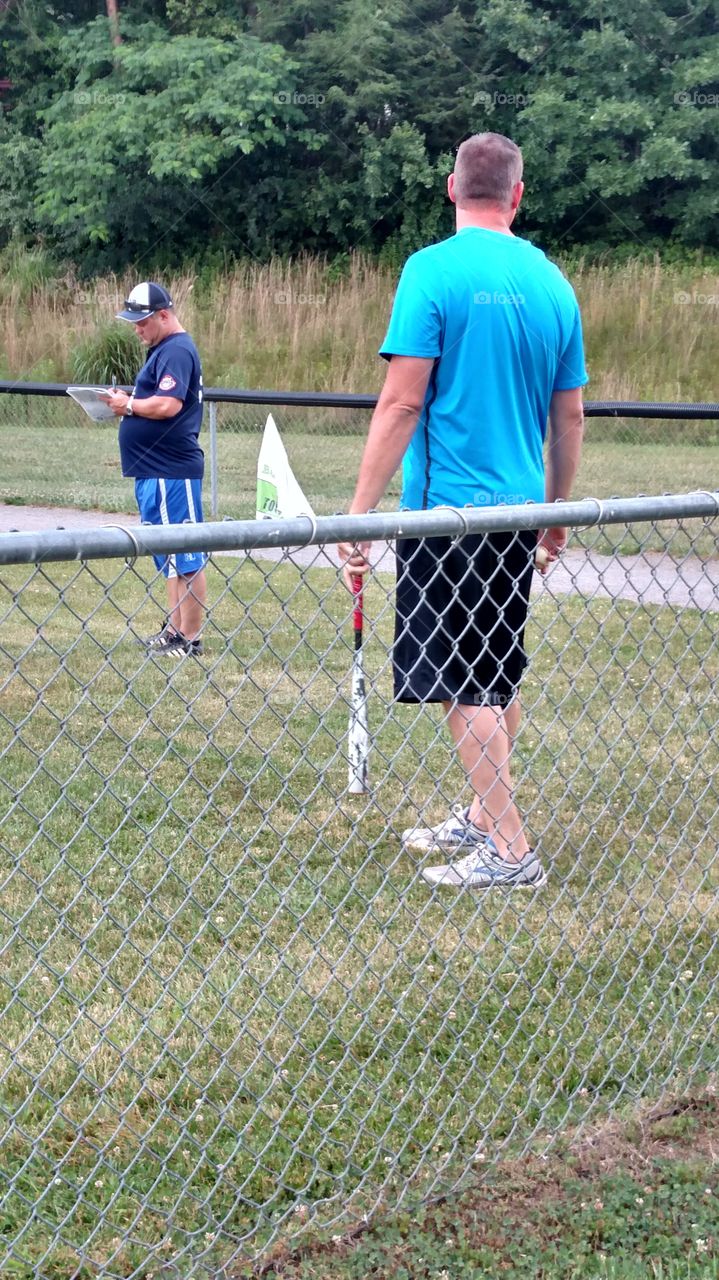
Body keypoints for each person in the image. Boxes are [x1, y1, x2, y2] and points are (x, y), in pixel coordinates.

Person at [338, 132, 587, 890]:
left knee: (463, 682)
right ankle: (482, 815)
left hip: (447, 516)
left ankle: (510, 851)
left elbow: (402, 400)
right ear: (516, 194)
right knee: (496, 674)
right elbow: (568, 417)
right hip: (514, 517)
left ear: (452, 187)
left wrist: (358, 519)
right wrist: (554, 513)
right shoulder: (551, 283)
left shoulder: (431, 272)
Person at [106, 282, 207, 657]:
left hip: (171, 471)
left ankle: (190, 638)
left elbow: (167, 406)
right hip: (153, 471)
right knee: (169, 557)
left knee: (186, 556)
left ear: (164, 315)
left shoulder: (177, 350)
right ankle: (174, 630)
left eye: (142, 321)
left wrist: (129, 405)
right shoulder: (163, 349)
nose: (137, 329)